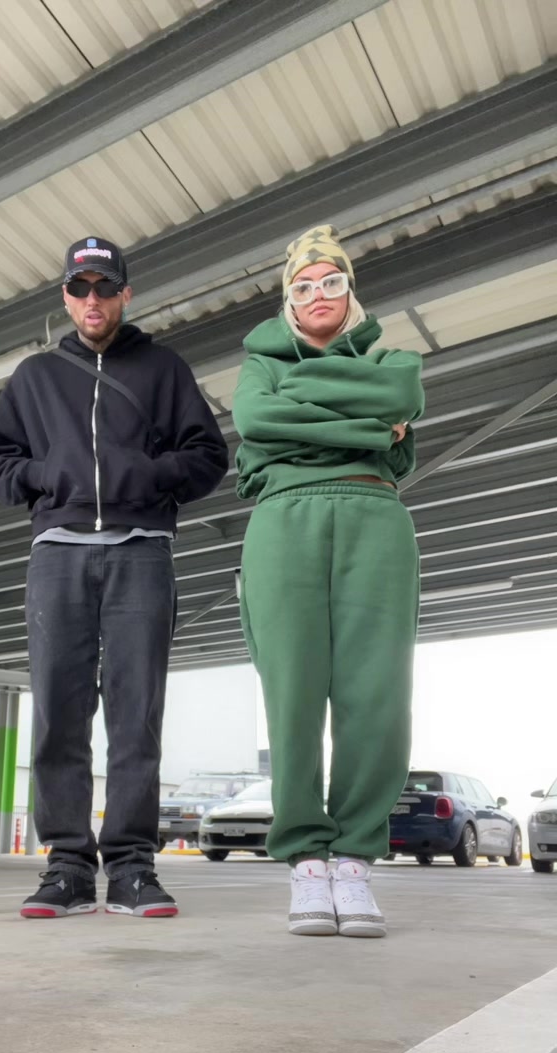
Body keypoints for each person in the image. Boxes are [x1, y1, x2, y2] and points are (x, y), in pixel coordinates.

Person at [0, 237, 228, 920]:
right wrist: (47, 475)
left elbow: (208, 455)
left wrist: (145, 475)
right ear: (66, 297)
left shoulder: (164, 369)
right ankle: (66, 866)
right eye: (80, 288)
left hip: (141, 551)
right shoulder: (35, 377)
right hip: (58, 554)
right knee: (58, 711)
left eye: (105, 287)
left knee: (135, 712)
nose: (93, 300)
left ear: (125, 294)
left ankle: (131, 867)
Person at [232, 225, 424, 938]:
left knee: (378, 692)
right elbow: (256, 418)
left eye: (332, 282)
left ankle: (354, 859)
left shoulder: (393, 361)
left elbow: (400, 392)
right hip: (283, 521)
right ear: (289, 299)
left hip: (376, 517)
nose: (318, 294)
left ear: (350, 292)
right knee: (293, 690)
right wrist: (371, 428)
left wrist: (306, 415)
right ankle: (307, 861)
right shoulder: (260, 367)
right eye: (304, 286)